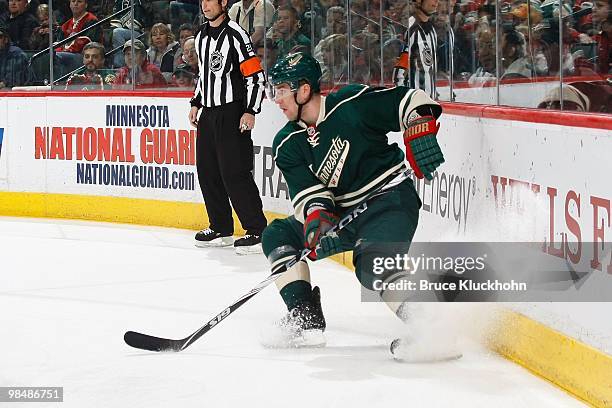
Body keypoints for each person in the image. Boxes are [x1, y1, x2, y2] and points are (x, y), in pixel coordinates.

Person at [261, 52, 445, 356]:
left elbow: (409, 100)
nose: (276, 99)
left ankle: (431, 329)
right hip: (343, 214)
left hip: (390, 200)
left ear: (304, 90)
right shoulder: (287, 143)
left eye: (281, 90)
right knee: (277, 235)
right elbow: (308, 193)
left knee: (372, 266)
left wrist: (418, 125)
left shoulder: (350, 104)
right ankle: (305, 317)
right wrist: (317, 219)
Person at [188, 0, 268, 254]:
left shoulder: (236, 34)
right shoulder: (200, 35)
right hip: (209, 114)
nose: (205, 4)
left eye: (211, 0)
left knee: (235, 172)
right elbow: (205, 76)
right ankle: (221, 226)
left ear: (224, 3)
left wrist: (250, 110)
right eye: (202, 0)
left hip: (232, 112)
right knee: (208, 171)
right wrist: (196, 102)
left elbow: (255, 76)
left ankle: (257, 229)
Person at [392, 0, 439, 99]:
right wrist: (408, 101)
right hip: (415, 103)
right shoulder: (411, 29)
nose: (436, 1)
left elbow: (429, 67)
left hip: (430, 101)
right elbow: (398, 74)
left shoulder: (432, 30)